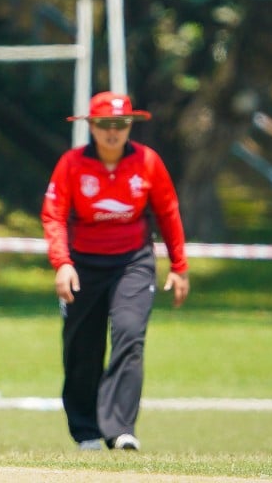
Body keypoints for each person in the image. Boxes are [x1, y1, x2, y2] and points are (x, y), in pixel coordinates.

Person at [40, 91, 190, 451]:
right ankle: (86, 430)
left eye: (120, 124)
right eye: (105, 124)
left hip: (132, 262)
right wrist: (62, 263)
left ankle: (121, 428)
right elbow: (54, 215)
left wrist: (179, 266)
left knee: (129, 334)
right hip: (83, 264)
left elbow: (168, 212)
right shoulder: (72, 164)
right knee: (82, 347)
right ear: (92, 126)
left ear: (129, 126)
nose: (113, 132)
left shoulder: (148, 161)